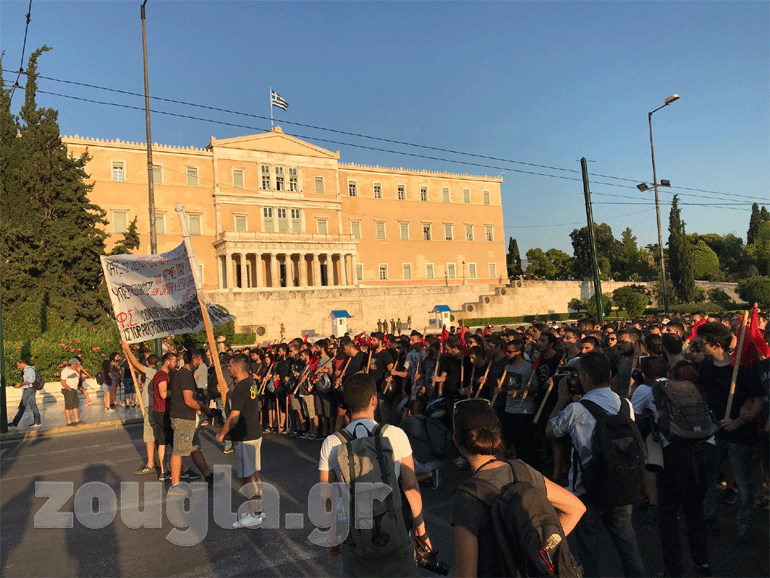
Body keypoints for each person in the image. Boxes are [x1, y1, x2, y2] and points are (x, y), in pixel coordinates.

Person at [451, 398, 585, 578]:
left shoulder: (466, 496)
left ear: (456, 441)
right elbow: (576, 508)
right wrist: (540, 548)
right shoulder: (523, 470)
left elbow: (466, 574)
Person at [318, 372, 432, 577]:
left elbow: (326, 497)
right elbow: (410, 486)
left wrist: (332, 536)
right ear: (373, 400)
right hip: (395, 533)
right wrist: (421, 529)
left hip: (355, 540)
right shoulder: (395, 434)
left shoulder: (331, 443)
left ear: (347, 403)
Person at [546, 351, 645, 577]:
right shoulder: (625, 404)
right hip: (620, 481)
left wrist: (561, 400)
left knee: (589, 549)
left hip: (587, 487)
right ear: (609, 374)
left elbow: (551, 431)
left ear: (585, 377)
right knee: (627, 543)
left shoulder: (576, 409)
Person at [630, 356, 712, 577]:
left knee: (668, 513)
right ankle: (702, 562)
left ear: (644, 374)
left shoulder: (645, 389)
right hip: (697, 448)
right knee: (695, 509)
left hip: (672, 452)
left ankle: (673, 567)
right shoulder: (681, 387)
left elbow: (633, 418)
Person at [696, 322, 762, 543]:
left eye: (703, 343)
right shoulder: (706, 368)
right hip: (714, 432)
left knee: (742, 482)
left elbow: (757, 400)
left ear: (716, 345)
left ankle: (744, 525)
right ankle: (709, 520)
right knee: (709, 479)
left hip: (738, 434)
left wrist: (738, 421)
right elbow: (703, 395)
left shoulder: (742, 371)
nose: (700, 346)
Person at [217, 353, 264, 528]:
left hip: (245, 437)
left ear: (237, 367)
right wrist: (227, 392)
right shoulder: (250, 383)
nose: (228, 369)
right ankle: (258, 509)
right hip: (255, 433)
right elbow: (242, 401)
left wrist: (222, 433)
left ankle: (253, 514)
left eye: (230, 366)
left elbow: (234, 417)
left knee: (246, 477)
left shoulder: (241, 388)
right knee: (255, 473)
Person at [168, 349, 214, 494]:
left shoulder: (181, 373)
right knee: (178, 451)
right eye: (200, 360)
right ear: (194, 359)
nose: (200, 363)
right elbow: (188, 400)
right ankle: (175, 486)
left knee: (195, 447)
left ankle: (208, 475)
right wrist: (204, 408)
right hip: (183, 419)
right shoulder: (186, 375)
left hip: (186, 418)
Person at [121, 341, 161, 476]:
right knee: (156, 435)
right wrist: (127, 354)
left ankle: (150, 464)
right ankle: (159, 462)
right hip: (155, 407)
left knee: (149, 437)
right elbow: (136, 367)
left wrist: (127, 349)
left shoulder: (151, 372)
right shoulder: (155, 372)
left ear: (147, 362)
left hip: (151, 407)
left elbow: (136, 364)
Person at [8, 359, 42, 428]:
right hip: (30, 389)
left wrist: (21, 384)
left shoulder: (29, 370)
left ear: (22, 363)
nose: (18, 367)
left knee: (22, 406)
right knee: (33, 405)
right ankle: (37, 421)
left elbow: (30, 380)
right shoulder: (27, 370)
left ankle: (14, 423)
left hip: (29, 389)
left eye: (19, 365)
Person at [60, 358, 82, 426]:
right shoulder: (65, 371)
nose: (77, 365)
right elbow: (63, 382)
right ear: (73, 364)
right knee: (68, 406)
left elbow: (77, 379)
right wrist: (69, 389)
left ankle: (76, 419)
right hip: (68, 390)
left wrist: (78, 372)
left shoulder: (74, 370)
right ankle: (69, 421)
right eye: (76, 364)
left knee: (75, 405)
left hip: (74, 389)